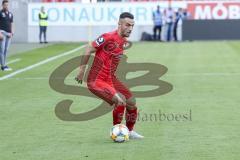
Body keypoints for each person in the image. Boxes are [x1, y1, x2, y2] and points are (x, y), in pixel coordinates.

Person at [75, 12, 144, 139]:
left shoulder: (123, 41)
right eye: (127, 25)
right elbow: (89, 48)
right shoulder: (108, 37)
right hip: (97, 80)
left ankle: (129, 131)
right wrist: (81, 70)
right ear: (119, 24)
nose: (130, 28)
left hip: (110, 78)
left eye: (132, 26)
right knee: (120, 102)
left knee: (131, 102)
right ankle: (117, 133)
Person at [0, 0, 13, 71]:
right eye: (5, 5)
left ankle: (4, 64)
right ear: (2, 5)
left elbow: (11, 23)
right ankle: (3, 66)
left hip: (9, 34)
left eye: (7, 5)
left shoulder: (10, 14)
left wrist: (12, 32)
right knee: (1, 50)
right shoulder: (0, 13)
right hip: (2, 33)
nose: (6, 6)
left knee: (6, 50)